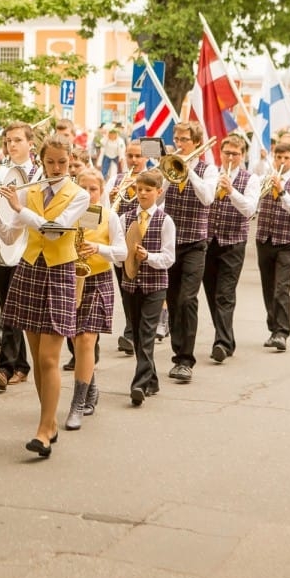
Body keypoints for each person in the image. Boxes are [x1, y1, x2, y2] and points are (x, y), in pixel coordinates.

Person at [0, 136, 89, 457]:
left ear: (70, 161)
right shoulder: (29, 191)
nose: (56, 168)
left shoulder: (80, 194)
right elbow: (9, 235)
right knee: (35, 357)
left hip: (59, 273)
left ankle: (44, 429)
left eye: (62, 162)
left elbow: (55, 229)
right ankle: (50, 422)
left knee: (49, 359)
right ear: (42, 162)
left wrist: (20, 207)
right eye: (50, 162)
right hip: (30, 270)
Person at [65, 170, 125, 430]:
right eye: (84, 188)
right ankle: (91, 387)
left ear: (101, 191)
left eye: (93, 189)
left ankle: (77, 403)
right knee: (74, 342)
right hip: (70, 281)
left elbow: (122, 252)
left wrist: (99, 248)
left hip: (97, 279)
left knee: (86, 340)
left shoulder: (109, 217)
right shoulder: (70, 215)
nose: (89, 194)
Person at [161, 121, 219, 383]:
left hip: (196, 244)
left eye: (184, 139)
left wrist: (187, 169)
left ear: (196, 142)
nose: (179, 143)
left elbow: (207, 197)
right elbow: (159, 198)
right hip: (171, 243)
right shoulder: (168, 166)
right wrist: (164, 174)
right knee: (172, 302)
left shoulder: (209, 170)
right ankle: (178, 353)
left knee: (187, 299)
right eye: (177, 138)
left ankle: (186, 359)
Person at [0, 122, 41, 389]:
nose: (12, 145)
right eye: (8, 140)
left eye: (18, 140)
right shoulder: (1, 173)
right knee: (6, 308)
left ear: (31, 143)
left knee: (12, 310)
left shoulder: (38, 175)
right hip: (5, 245)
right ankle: (21, 365)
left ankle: (5, 368)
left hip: (27, 250)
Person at [119, 170, 176, 406]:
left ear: (158, 192)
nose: (142, 194)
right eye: (139, 189)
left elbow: (169, 257)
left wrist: (148, 256)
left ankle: (139, 384)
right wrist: (125, 257)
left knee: (146, 332)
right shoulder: (125, 219)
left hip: (155, 286)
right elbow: (119, 252)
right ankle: (152, 379)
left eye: (148, 190)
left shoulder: (165, 220)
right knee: (137, 332)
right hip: (130, 284)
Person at [202, 134, 259, 364]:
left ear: (242, 155)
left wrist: (232, 190)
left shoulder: (250, 179)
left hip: (233, 242)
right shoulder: (211, 174)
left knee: (224, 294)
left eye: (235, 154)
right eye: (227, 153)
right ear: (221, 153)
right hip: (209, 240)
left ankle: (221, 343)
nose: (231, 157)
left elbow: (249, 209)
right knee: (211, 292)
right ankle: (227, 338)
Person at [255, 143, 290, 351]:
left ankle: (282, 332)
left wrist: (282, 191)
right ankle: (273, 328)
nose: (282, 162)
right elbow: (254, 203)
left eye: (286, 158)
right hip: (264, 239)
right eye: (278, 158)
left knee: (281, 288)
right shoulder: (264, 179)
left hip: (286, 242)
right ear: (274, 158)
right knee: (268, 288)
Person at [109, 140, 148, 355]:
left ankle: (138, 332)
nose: (133, 160)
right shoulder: (117, 179)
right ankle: (131, 331)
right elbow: (107, 212)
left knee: (142, 291)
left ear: (145, 158)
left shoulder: (152, 178)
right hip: (122, 242)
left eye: (138, 156)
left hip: (144, 241)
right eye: (130, 156)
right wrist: (111, 198)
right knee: (126, 290)